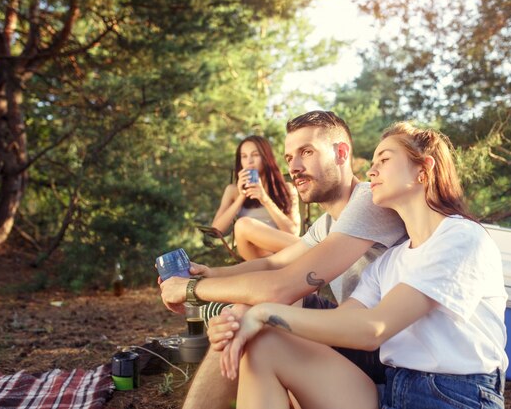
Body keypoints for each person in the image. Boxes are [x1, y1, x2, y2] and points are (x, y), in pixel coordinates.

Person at [216, 122, 508, 409]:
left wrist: (265, 313)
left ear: (424, 169)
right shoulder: (390, 261)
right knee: (265, 347)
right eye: (372, 162)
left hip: (455, 395)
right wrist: (247, 318)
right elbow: (343, 320)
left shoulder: (461, 237)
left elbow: (374, 329)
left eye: (384, 159)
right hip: (391, 391)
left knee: (264, 326)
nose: (371, 171)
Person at [159, 111, 407, 409]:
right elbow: (273, 263)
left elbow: (280, 286)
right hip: (354, 335)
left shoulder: (370, 200)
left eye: (306, 152)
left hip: (387, 353)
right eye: (289, 157)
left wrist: (190, 291)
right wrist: (208, 273)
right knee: (243, 315)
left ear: (341, 153)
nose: (295, 167)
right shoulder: (328, 223)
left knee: (258, 310)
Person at [210, 135, 301, 260]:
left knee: (246, 227)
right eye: (244, 156)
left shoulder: (287, 189)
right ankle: (313, 249)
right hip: (250, 251)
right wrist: (241, 196)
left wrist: (265, 199)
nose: (249, 161)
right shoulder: (232, 191)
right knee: (242, 224)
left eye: (255, 155)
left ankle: (273, 266)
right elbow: (216, 230)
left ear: (266, 157)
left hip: (279, 252)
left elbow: (293, 232)